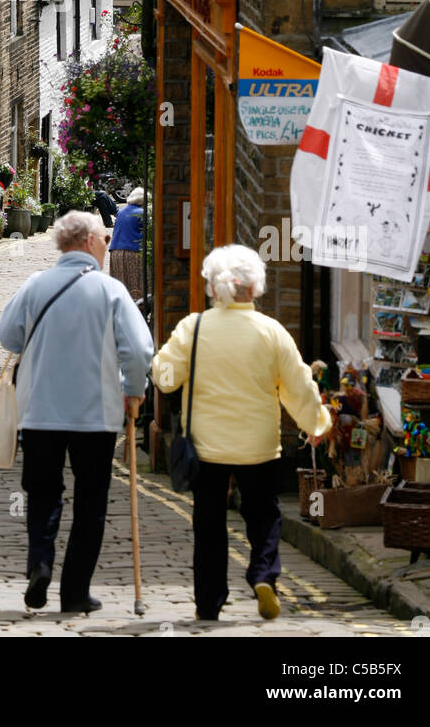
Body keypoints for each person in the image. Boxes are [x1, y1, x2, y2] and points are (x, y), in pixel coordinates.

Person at [152, 244, 331, 623]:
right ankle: (264, 575)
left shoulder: (194, 327)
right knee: (264, 517)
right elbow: (298, 386)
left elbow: (165, 379)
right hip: (259, 448)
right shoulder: (271, 332)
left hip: (207, 447)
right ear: (255, 288)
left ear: (214, 287)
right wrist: (317, 424)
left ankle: (209, 602)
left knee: (210, 524)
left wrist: (158, 366)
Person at [0, 209, 153, 615]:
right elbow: (137, 351)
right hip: (94, 415)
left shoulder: (35, 284)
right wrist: (134, 392)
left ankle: (40, 564)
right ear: (87, 242)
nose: (106, 244)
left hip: (40, 412)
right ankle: (75, 592)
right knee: (91, 502)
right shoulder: (110, 290)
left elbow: (7, 334)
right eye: (104, 238)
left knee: (43, 495)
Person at [109, 186, 146, 300]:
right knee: (136, 287)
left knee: (120, 286)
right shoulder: (142, 213)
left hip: (115, 252)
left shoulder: (121, 212)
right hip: (133, 252)